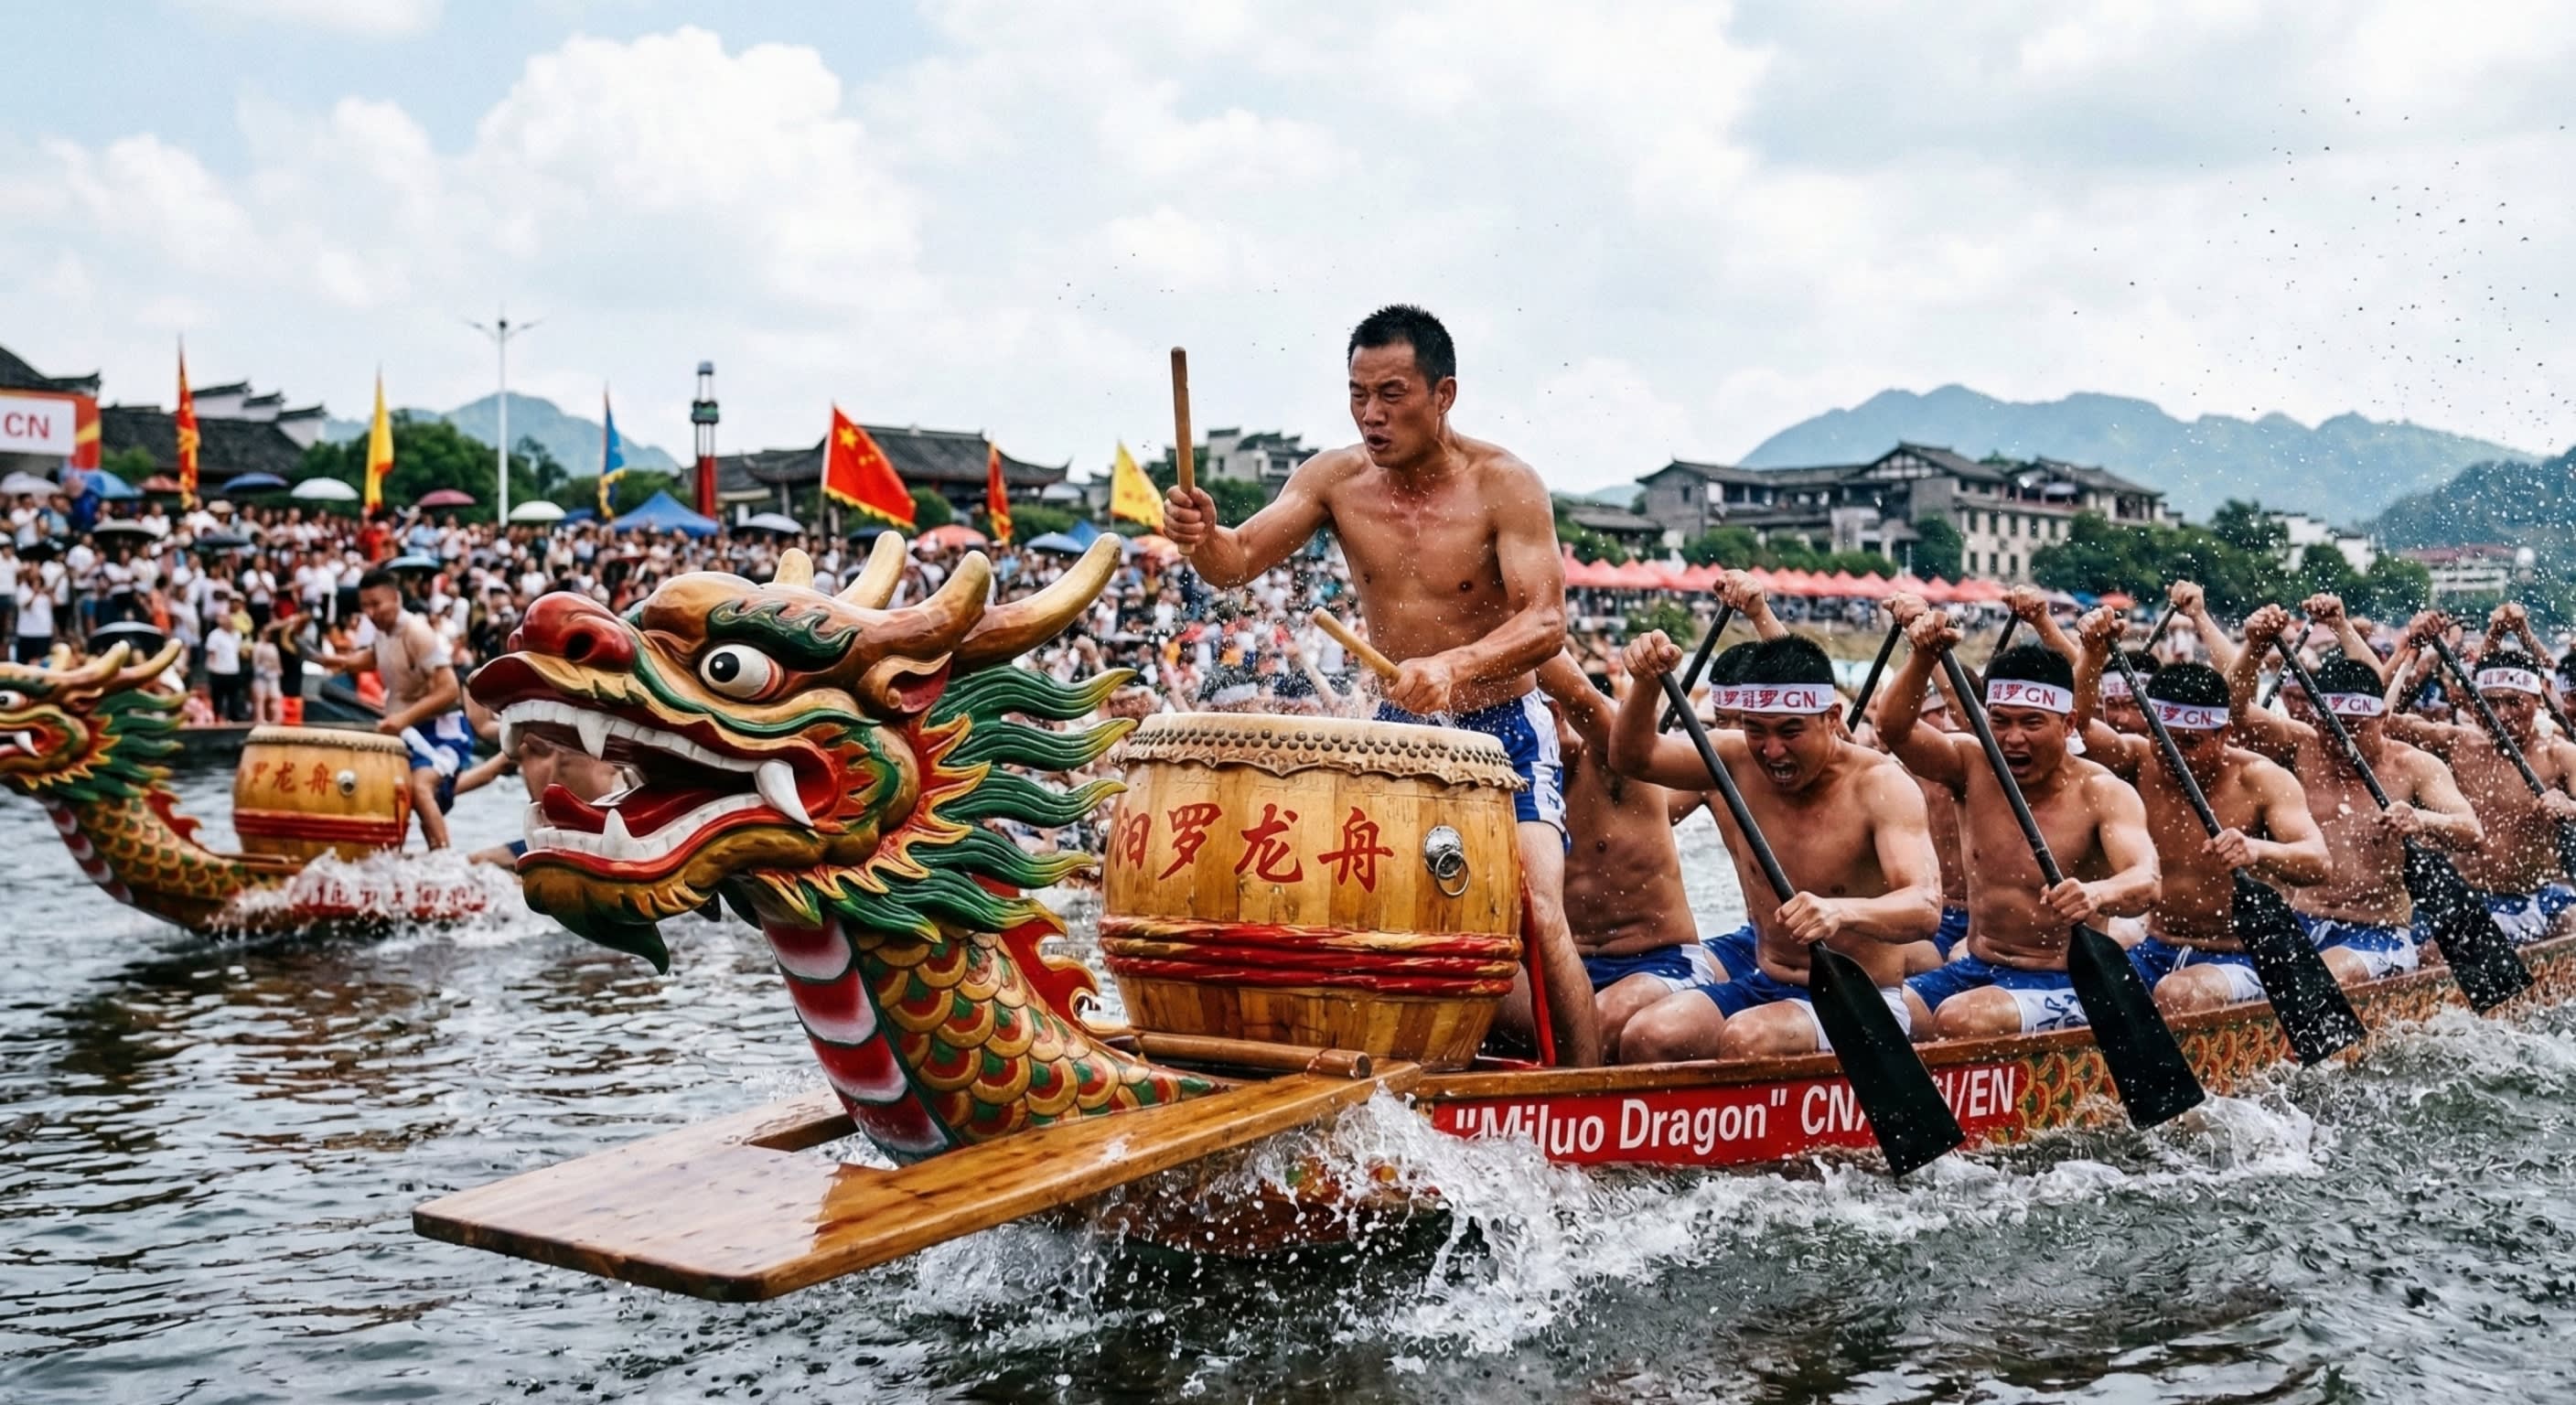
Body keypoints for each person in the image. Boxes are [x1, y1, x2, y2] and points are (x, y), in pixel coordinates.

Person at [1159, 305, 1600, 1064]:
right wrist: (1199, 538)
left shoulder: (1505, 483)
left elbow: (1547, 624)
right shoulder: (1333, 479)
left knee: (1539, 910)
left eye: (1392, 394)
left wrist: (1455, 665)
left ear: (1444, 394)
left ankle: (1591, 1100)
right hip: (1401, 731)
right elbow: (1234, 563)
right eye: (1358, 394)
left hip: (1503, 731)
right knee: (1392, 917)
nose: (1371, 414)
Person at [1605, 632, 1943, 1060]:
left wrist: (1841, 911)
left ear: (1833, 717)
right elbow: (1631, 758)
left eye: (1790, 731)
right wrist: (1646, 683)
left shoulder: (1881, 785)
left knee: (1747, 1038)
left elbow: (1925, 908)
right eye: (1756, 730)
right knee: (1648, 1035)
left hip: (1862, 995)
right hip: (1767, 982)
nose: (1772, 750)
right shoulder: (1734, 758)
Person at [1878, 599, 2162, 1037]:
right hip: (1975, 968)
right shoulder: (1971, 763)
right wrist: (1922, 656)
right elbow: (1894, 731)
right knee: (1880, 1021)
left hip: (2067, 979)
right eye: (2001, 721)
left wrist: (2096, 894)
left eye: (2032, 723)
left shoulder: (2103, 792)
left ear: (2068, 724)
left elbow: (2145, 882)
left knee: (1958, 1018)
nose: (2012, 739)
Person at [2070, 608, 2333, 1015]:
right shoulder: (2140, 759)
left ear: (2224, 734)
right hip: (2159, 945)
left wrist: (2259, 850)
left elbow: (2318, 862)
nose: (2173, 756)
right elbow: (2076, 729)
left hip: (2247, 957)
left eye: (2190, 742)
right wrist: (2090, 651)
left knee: (2178, 995)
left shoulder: (2260, 778)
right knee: (2086, 997)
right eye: (2164, 739)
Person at [2228, 602, 2482, 983]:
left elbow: (2470, 830)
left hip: (2375, 933)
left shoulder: (2413, 766)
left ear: (2382, 718)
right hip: (2301, 921)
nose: (2340, 740)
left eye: (2353, 727)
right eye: (2330, 727)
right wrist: (2254, 646)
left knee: (2323, 975)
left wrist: (2421, 819)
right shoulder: (2301, 745)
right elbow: (2233, 713)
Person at [1538, 654, 1723, 1060]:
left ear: (1554, 713)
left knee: (1593, 1021)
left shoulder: (1611, 761)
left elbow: (1584, 699)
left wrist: (1646, 678)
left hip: (1659, 963)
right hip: (1562, 970)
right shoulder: (1512, 775)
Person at [2379, 606, 2576, 943]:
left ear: (2536, 701)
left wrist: (2568, 806)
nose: (2502, 715)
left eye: (2514, 703)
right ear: (2474, 706)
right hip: (2469, 898)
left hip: (2541, 896)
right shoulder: (2458, 743)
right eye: (2492, 703)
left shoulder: (2559, 754)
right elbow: (2377, 722)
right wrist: (2411, 650)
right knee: (2433, 952)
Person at [310, 568, 468, 850]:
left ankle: (446, 861)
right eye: (365, 606)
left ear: (396, 598)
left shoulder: (418, 632)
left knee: (420, 788)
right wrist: (334, 661)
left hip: (440, 731)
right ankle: (388, 854)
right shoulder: (382, 632)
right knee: (383, 788)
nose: (371, 612)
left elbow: (450, 690)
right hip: (403, 727)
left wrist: (404, 719)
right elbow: (372, 657)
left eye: (376, 604)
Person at [464, 728, 627, 867]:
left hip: (566, 837)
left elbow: (486, 772)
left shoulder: (526, 742)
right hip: (560, 839)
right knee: (479, 861)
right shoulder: (603, 742)